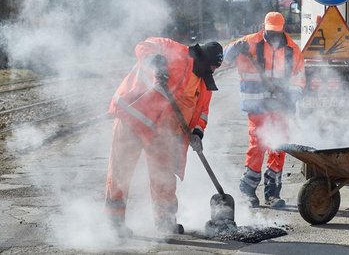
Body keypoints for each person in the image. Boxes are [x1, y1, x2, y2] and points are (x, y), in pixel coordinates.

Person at [105, 37, 223, 237]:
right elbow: (143, 45)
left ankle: (166, 223)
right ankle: (115, 223)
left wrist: (197, 132)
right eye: (211, 66)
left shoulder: (204, 85)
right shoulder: (173, 50)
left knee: (165, 179)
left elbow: (202, 113)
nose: (212, 71)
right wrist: (155, 60)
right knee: (120, 174)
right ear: (201, 58)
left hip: (162, 134)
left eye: (215, 68)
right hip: (132, 119)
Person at [223, 12, 305, 208]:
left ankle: (273, 194)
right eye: (270, 32)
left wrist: (291, 96)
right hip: (257, 105)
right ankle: (248, 192)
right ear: (264, 27)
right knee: (257, 146)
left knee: (279, 147)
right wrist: (235, 49)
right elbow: (224, 58)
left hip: (280, 107)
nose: (273, 37)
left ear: (282, 30)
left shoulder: (293, 50)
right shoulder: (249, 42)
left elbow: (299, 77)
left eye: (276, 33)